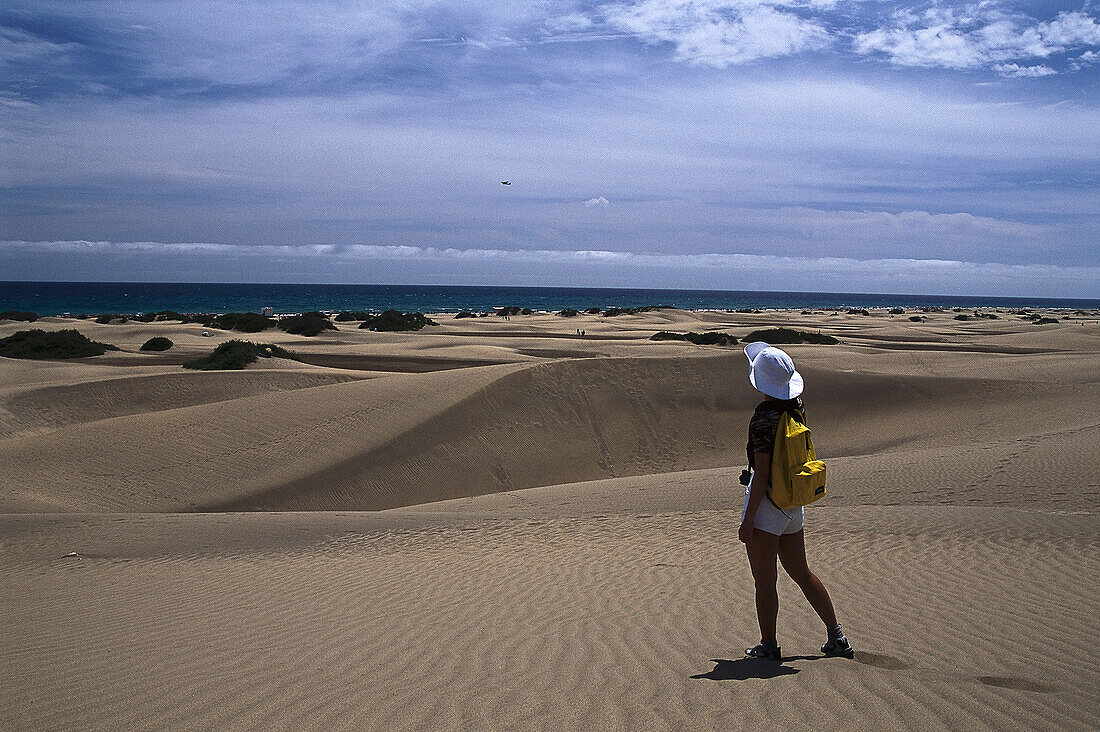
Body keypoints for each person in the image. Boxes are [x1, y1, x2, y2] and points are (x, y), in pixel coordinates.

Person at [738, 341, 853, 661]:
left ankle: (769, 645)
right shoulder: (796, 408)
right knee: (801, 573)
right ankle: (837, 636)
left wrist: (747, 521)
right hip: (793, 504)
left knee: (765, 581)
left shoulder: (763, 419)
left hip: (767, 506)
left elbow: (760, 474)